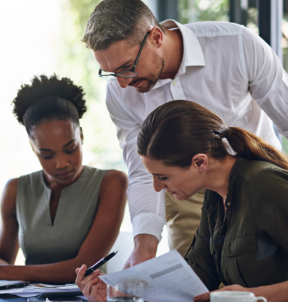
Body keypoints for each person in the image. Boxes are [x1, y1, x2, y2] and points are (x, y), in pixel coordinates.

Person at [82, 0, 288, 266]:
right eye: (109, 73)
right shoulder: (120, 93)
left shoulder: (236, 45)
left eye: (127, 68)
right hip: (181, 188)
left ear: (156, 36)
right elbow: (144, 174)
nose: (122, 84)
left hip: (255, 179)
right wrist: (144, 246)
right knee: (190, 281)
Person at [76, 100, 288, 302]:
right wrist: (120, 293)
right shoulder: (215, 196)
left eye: (163, 177)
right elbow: (198, 278)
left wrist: (253, 297)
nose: (157, 187)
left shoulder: (263, 183)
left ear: (199, 162)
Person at [0, 75, 127, 283]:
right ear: (33, 148)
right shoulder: (15, 189)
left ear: (81, 136)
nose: (61, 163)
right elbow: (3, 258)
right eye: (47, 155)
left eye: (70, 149)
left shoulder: (111, 183)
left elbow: (82, 267)